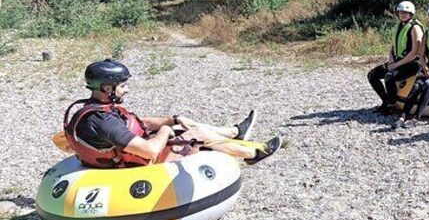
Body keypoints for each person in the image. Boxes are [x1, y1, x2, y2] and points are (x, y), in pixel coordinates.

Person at [64, 59, 282, 169]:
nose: (126, 89)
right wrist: (167, 130)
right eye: (122, 85)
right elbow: (149, 151)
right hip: (133, 165)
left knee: (187, 129)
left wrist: (173, 120)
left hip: (128, 152)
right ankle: (253, 154)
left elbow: (138, 123)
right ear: (106, 88)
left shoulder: (94, 108)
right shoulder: (102, 121)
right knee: (196, 136)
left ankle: (235, 134)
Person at [367, 1, 424, 114]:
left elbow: (415, 52)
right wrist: (391, 59)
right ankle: (386, 101)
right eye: (401, 12)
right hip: (398, 61)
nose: (403, 14)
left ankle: (393, 105)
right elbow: (394, 45)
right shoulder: (398, 26)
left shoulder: (415, 28)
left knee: (389, 76)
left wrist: (396, 65)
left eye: (406, 13)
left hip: (412, 64)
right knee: (372, 75)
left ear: (411, 14)